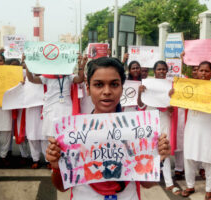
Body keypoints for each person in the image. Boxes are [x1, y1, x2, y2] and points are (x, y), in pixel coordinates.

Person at [45, 57, 171, 200]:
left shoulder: (138, 131)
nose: (107, 91)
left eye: (114, 84)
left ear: (122, 88)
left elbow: (147, 184)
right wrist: (56, 166)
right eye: (98, 85)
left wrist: (158, 159)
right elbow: (61, 187)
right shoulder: (72, 133)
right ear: (88, 88)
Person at [137, 60, 181, 195]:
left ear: (167, 71)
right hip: (150, 116)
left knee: (164, 148)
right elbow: (140, 105)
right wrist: (140, 93)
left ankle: (169, 182)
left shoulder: (171, 85)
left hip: (164, 118)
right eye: (159, 69)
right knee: (150, 147)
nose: (161, 71)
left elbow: (173, 108)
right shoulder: (147, 84)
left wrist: (172, 102)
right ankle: (149, 176)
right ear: (154, 71)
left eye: (163, 69)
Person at [181, 61, 211, 200]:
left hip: (208, 128)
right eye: (201, 70)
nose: (203, 73)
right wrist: (174, 94)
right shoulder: (190, 87)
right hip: (192, 127)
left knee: (209, 159)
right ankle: (190, 186)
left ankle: (209, 189)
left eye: (206, 71)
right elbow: (179, 102)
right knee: (189, 157)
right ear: (197, 72)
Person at [25, 55, 87, 138]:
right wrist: (28, 65)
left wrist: (81, 66)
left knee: (66, 134)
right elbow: (31, 79)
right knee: (52, 135)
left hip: (66, 108)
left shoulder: (68, 76)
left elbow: (80, 79)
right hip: (51, 108)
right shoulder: (46, 77)